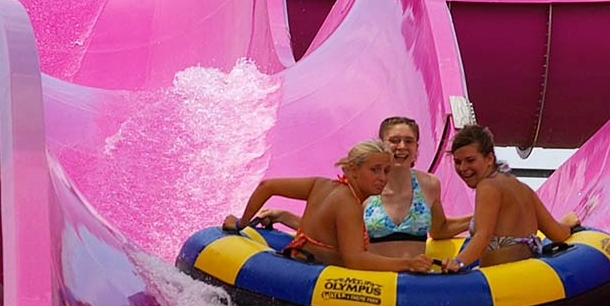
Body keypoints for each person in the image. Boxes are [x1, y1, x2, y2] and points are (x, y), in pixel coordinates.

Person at [258, 116, 471, 257]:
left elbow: (440, 229)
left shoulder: (429, 185)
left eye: (409, 141)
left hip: (415, 284)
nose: (402, 147)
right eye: (394, 140)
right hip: (371, 285)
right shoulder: (363, 188)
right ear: (381, 145)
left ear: (417, 148)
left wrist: (476, 218)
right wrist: (283, 216)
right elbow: (329, 232)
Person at [222, 140, 433, 273]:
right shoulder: (348, 204)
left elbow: (267, 186)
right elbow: (355, 260)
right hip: (315, 272)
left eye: (386, 171)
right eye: (375, 170)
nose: (382, 178)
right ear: (353, 169)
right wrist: (408, 264)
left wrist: (242, 223)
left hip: (299, 261)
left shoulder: (320, 185)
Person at [443, 125, 579, 272]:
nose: (463, 168)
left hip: (499, 280)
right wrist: (568, 225)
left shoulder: (487, 186)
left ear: (489, 159)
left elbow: (483, 236)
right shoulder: (523, 188)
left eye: (470, 160)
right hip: (528, 275)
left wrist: (457, 262)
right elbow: (557, 234)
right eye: (458, 162)